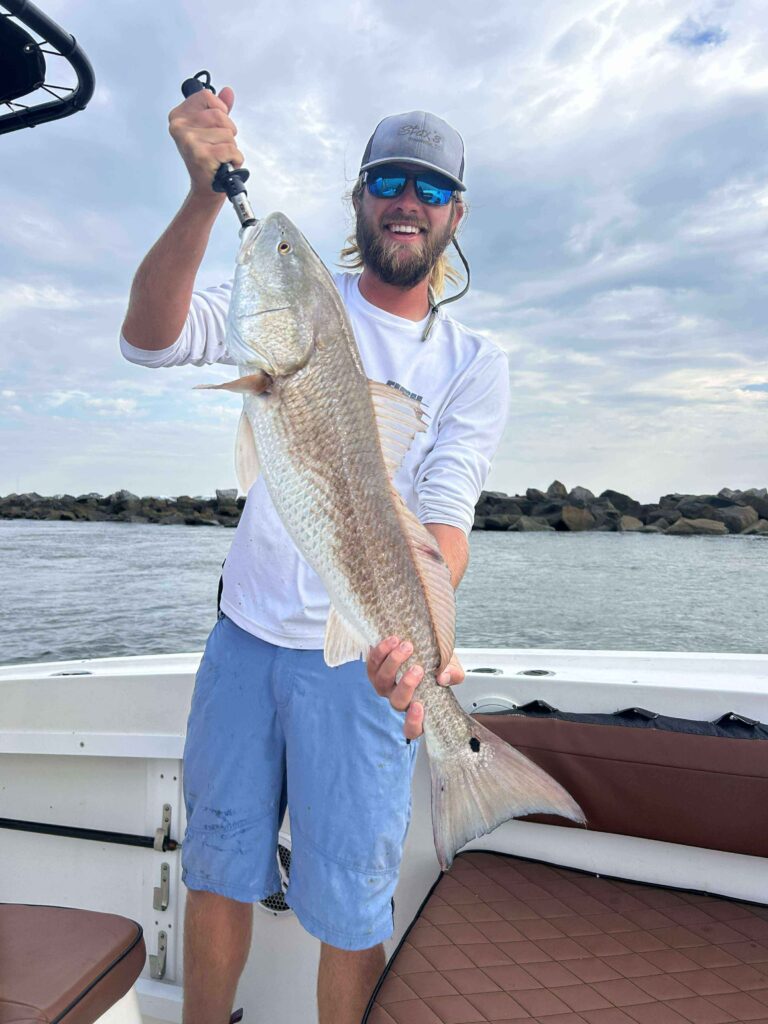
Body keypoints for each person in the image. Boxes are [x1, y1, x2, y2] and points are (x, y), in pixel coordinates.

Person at [120, 86, 509, 1024]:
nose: (404, 200)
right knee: (217, 870)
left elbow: (445, 516)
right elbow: (150, 338)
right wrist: (206, 198)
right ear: (361, 199)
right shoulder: (293, 305)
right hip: (245, 641)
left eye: (428, 186)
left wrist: (423, 640)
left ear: (455, 213)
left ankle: (470, 768)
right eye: (385, 180)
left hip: (362, 671)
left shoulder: (471, 359)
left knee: (349, 908)